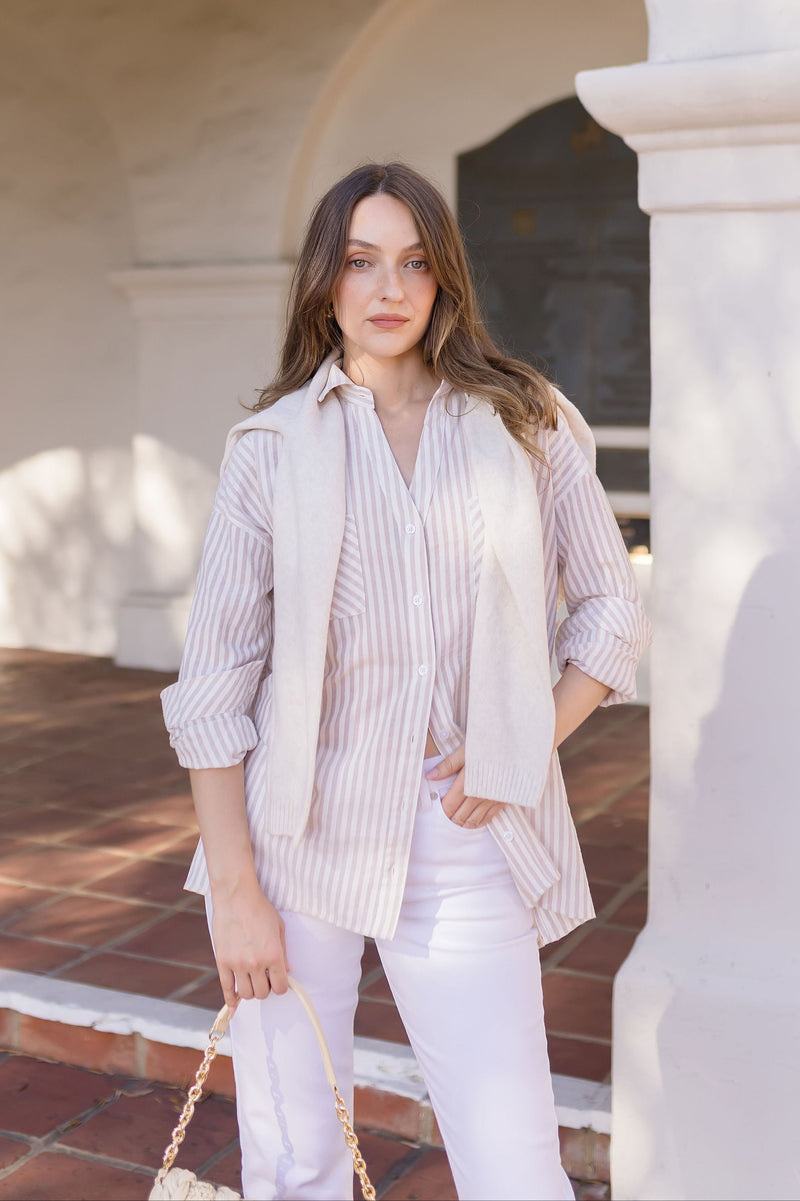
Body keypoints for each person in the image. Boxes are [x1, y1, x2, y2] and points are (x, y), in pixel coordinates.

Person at [161, 161, 651, 1201]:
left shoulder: (527, 421)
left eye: (415, 263)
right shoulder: (268, 450)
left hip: (458, 826)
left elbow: (612, 608)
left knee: (511, 1158)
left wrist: (527, 734)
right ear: (322, 282)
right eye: (360, 261)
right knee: (293, 1161)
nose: (389, 288)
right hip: (290, 841)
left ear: (444, 282)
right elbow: (212, 687)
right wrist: (236, 891)